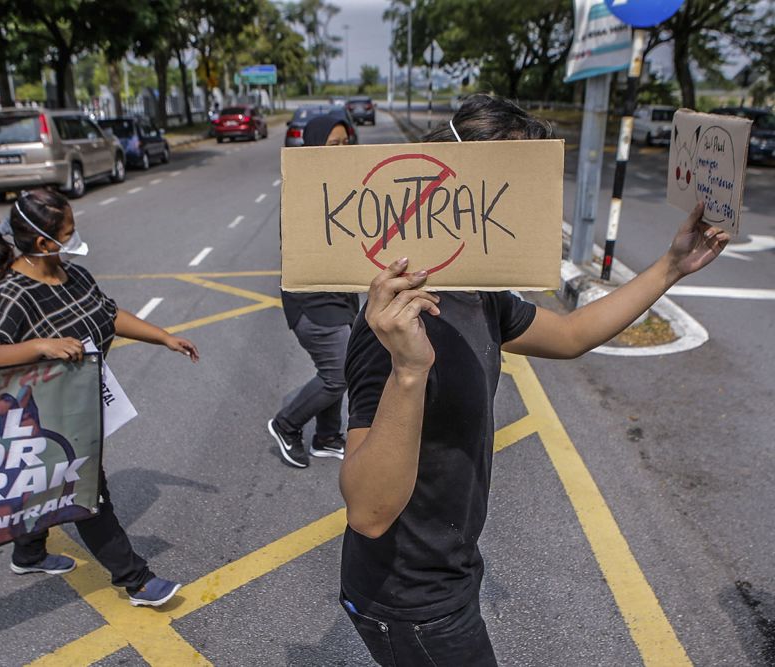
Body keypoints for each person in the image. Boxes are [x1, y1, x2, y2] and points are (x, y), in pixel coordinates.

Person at [338, 94, 730, 665]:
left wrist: (671, 266)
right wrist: (409, 370)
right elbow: (367, 512)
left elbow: (570, 336)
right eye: (509, 183)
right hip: (412, 603)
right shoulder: (392, 323)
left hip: (450, 574)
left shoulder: (480, 294)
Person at [0, 188, 200, 608]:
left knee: (50, 484)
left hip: (81, 405)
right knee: (89, 494)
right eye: (68, 231)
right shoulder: (13, 293)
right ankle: (136, 580)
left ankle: (28, 551)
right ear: (42, 241)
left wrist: (163, 337)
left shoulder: (72, 274)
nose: (75, 238)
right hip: (44, 414)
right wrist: (43, 345)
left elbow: (108, 313)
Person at [267, 115, 357, 468]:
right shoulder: (303, 189)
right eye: (333, 144)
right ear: (315, 147)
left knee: (338, 367)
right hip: (313, 301)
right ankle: (287, 424)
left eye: (346, 143)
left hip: (340, 297)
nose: (342, 150)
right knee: (340, 373)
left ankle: (327, 436)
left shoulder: (344, 181)